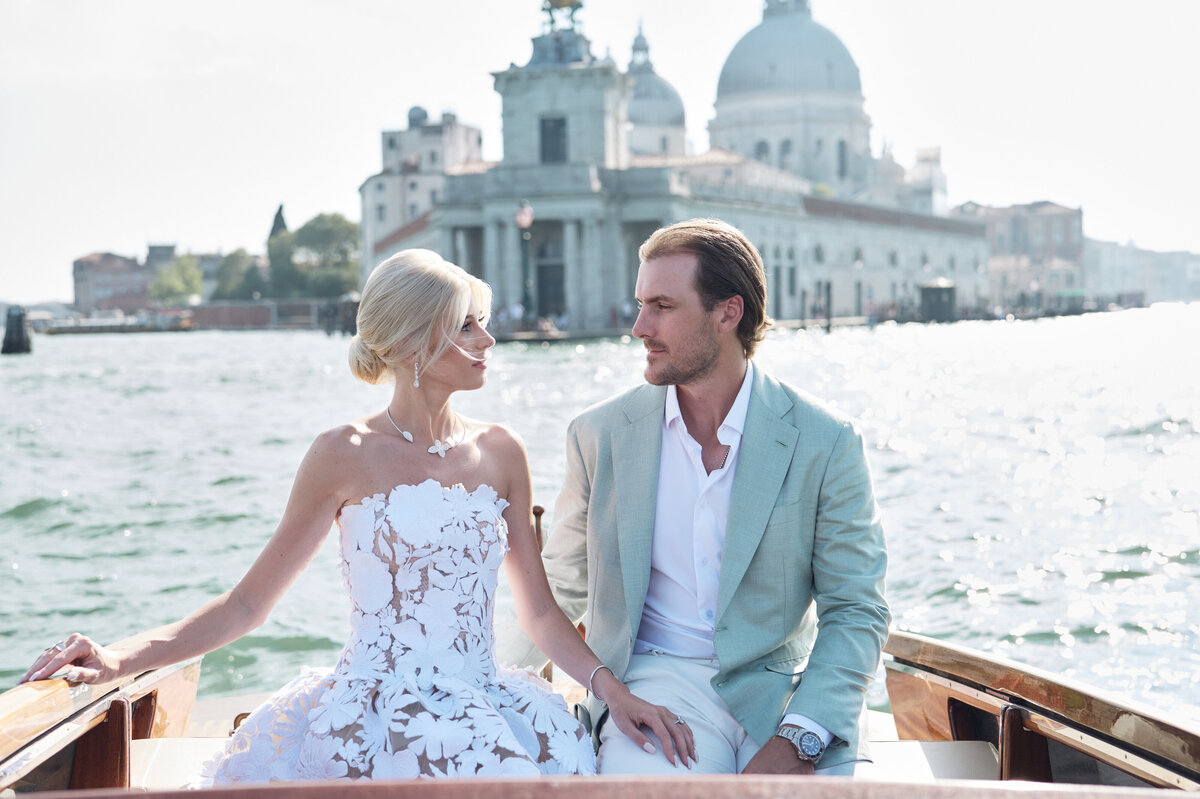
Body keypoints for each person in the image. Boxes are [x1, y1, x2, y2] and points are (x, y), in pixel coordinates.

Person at [22, 249, 694, 782]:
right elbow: (247, 605)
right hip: (367, 708)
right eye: (467, 323)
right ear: (413, 344)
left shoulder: (502, 451)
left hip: (484, 698)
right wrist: (117, 659)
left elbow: (541, 615)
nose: (489, 337)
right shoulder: (340, 454)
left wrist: (615, 692)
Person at [498, 219, 890, 776]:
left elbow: (856, 608)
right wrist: (474, 688)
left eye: (662, 306)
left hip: (783, 688)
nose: (638, 326)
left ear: (728, 313)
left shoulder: (825, 441)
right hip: (653, 690)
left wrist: (798, 740)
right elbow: (558, 590)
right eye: (640, 304)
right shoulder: (599, 435)